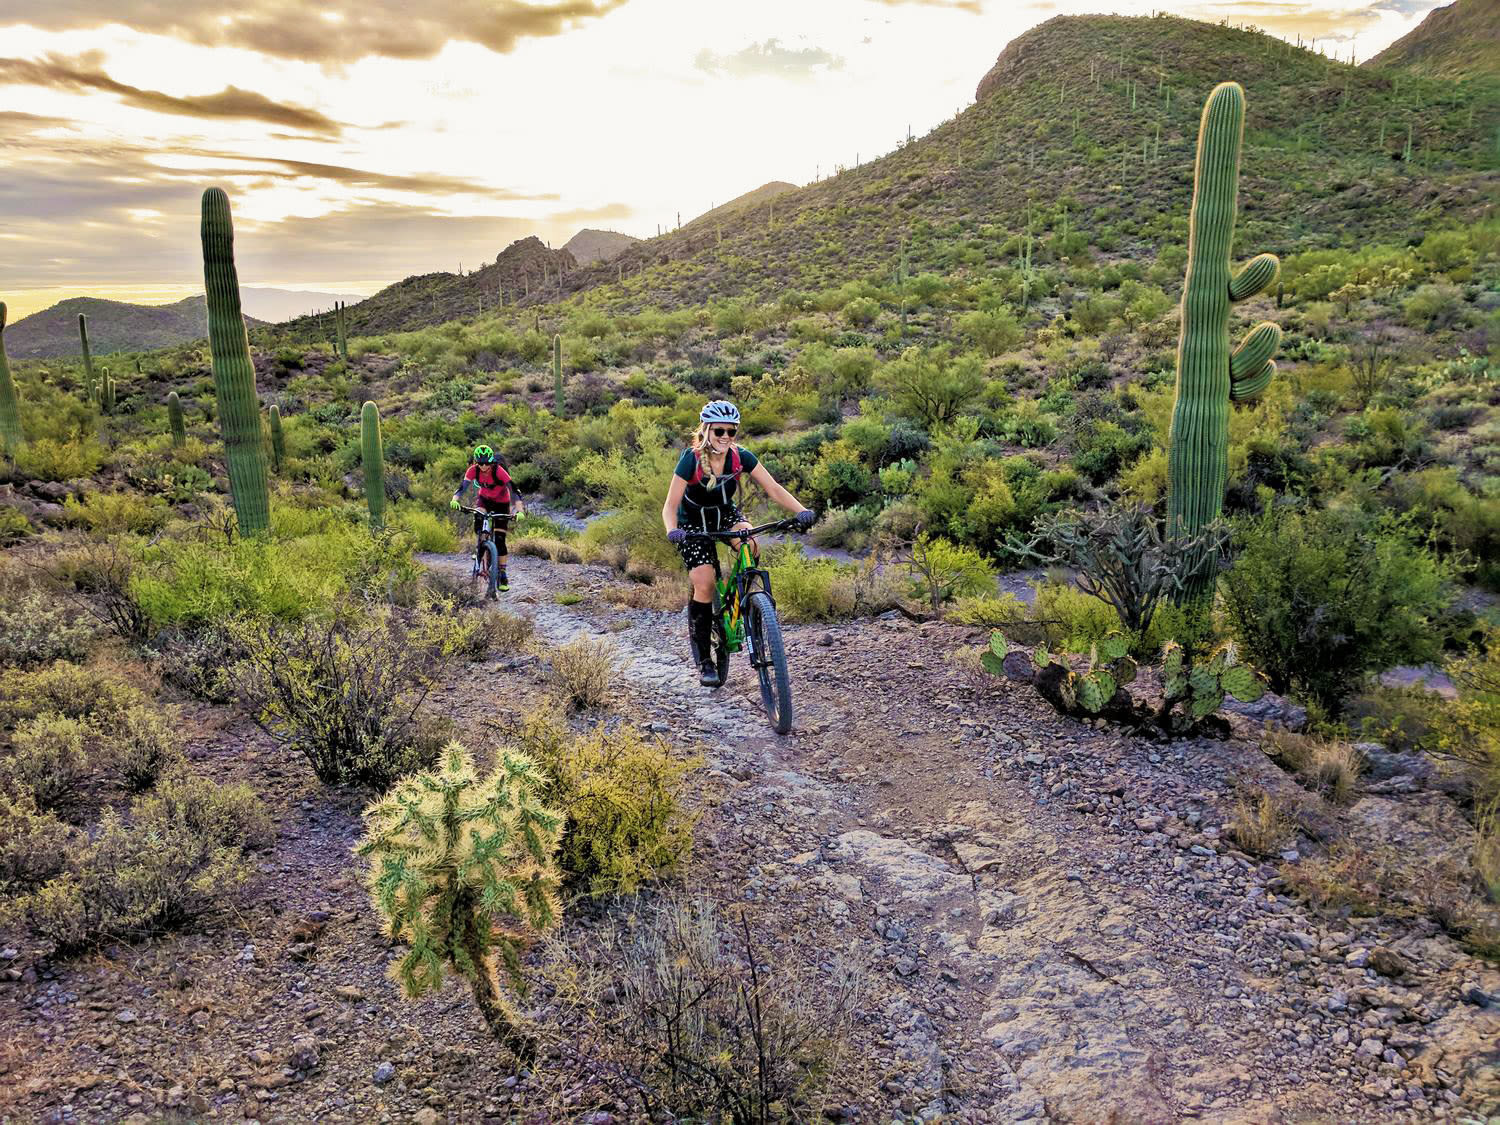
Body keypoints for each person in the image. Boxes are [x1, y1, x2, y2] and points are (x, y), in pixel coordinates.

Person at [662, 400, 815, 686]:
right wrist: (673, 531)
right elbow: (669, 506)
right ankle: (705, 659)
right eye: (719, 430)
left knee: (751, 545)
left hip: (725, 515)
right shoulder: (690, 459)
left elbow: (773, 488)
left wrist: (800, 511)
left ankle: (744, 599)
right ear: (706, 429)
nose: (725, 437)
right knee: (705, 584)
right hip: (692, 523)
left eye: (731, 432)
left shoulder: (740, 456)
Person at [450, 444, 525, 592]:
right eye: (480, 463)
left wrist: (519, 511)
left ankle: (502, 574)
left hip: (502, 503)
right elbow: (462, 487)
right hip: (484, 500)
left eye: (487, 463)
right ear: (476, 462)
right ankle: (481, 546)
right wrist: (455, 499)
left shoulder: (499, 471)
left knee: (500, 540)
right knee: (478, 516)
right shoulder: (473, 470)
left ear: (491, 461)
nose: (484, 466)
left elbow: (515, 491)